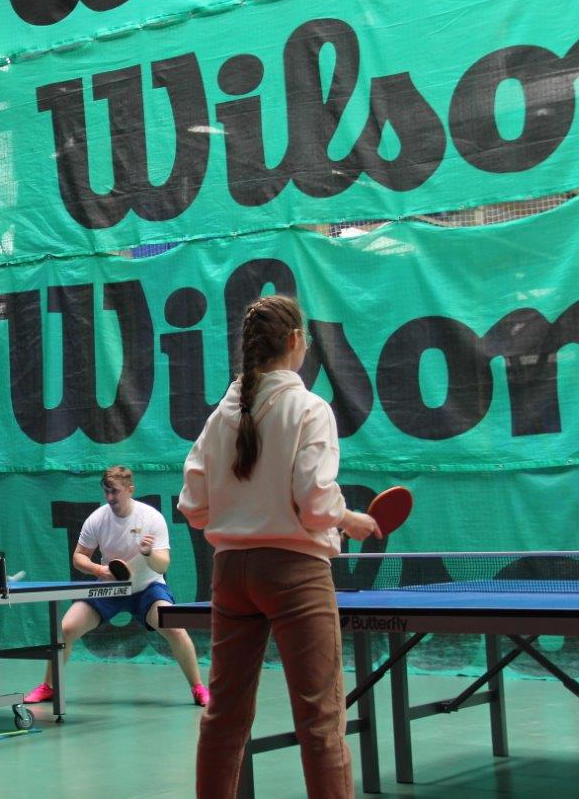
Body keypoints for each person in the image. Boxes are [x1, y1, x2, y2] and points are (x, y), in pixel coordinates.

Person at [178, 295, 380, 799]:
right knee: (320, 719)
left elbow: (193, 506)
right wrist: (348, 517)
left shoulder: (221, 414)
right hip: (295, 575)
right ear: (294, 341)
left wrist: (239, 515)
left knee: (224, 716)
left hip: (231, 574)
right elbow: (315, 503)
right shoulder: (310, 408)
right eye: (305, 337)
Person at [23, 465, 209, 707]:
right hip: (110, 588)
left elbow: (162, 565)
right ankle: (49, 687)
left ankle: (198, 688)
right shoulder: (97, 519)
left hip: (147, 588)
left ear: (130, 489)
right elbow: (79, 557)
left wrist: (149, 552)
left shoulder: (151, 518)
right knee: (65, 629)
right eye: (106, 491)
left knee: (175, 629)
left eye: (115, 491)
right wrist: (99, 570)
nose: (110, 497)